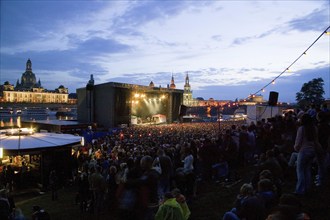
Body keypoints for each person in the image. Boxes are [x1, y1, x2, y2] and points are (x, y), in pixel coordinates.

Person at [293, 113, 317, 195]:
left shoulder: (302, 129)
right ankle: (307, 188)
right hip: (312, 151)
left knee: (300, 171)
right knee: (307, 170)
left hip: (303, 151)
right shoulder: (314, 128)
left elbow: (298, 141)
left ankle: (299, 190)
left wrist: (296, 148)